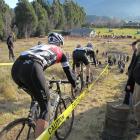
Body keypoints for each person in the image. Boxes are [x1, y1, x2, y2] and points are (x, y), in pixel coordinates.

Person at [11, 32, 76, 138]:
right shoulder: (60, 52)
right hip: (32, 67)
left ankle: (34, 119)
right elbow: (68, 71)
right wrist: (74, 83)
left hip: (16, 68)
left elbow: (38, 64)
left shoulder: (40, 46)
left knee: (37, 97)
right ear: (59, 43)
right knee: (45, 107)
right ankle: (40, 131)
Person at [123, 40, 138, 105]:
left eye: (133, 46)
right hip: (132, 73)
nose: (132, 48)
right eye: (132, 46)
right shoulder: (135, 52)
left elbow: (134, 64)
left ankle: (127, 103)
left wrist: (131, 72)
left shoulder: (137, 53)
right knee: (129, 88)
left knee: (129, 88)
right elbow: (132, 63)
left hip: (134, 75)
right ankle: (126, 102)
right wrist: (129, 70)